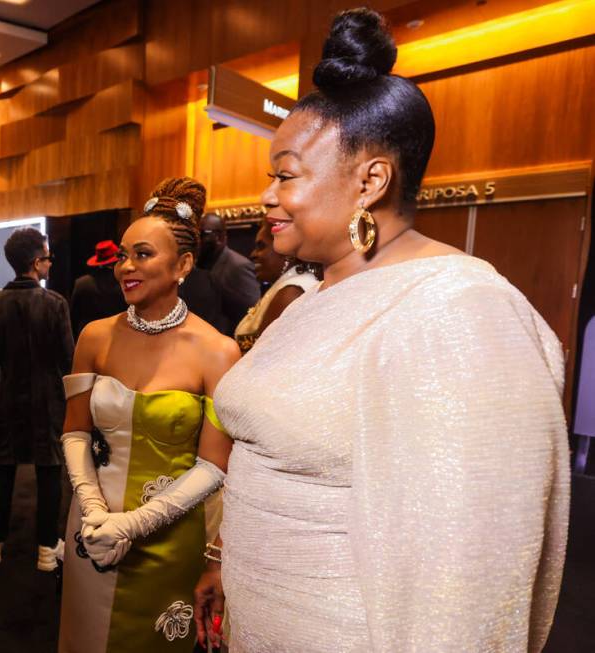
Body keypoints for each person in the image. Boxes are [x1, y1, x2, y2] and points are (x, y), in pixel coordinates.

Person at [196, 9, 569, 653]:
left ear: (370, 180)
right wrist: (228, 559)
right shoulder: (318, 293)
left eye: (285, 174)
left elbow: (470, 581)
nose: (266, 196)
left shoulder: (460, 310)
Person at [58, 177, 240, 653]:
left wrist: (135, 524)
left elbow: (214, 466)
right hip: (91, 533)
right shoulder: (94, 337)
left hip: (170, 538)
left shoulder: (217, 353)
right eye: (123, 255)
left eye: (142, 254)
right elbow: (75, 432)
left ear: (182, 265)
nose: (126, 267)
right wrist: (94, 510)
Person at [0, 228, 73, 571]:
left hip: (8, 398)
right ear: (36, 262)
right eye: (47, 257)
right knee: (50, 471)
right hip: (48, 401)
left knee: (2, 468)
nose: (49, 263)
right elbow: (68, 360)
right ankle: (47, 549)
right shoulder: (56, 304)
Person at [233, 221, 320, 353]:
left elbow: (264, 357)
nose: (253, 254)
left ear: (287, 253)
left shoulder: (291, 292)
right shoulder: (285, 287)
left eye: (261, 247)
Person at [197, 213, 260, 334]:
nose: (197, 240)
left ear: (220, 238)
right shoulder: (202, 264)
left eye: (203, 234)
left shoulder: (238, 266)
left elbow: (254, 314)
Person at [69, 240, 127, 340]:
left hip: (89, 340)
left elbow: (74, 318)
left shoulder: (81, 284)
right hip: (119, 338)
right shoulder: (125, 282)